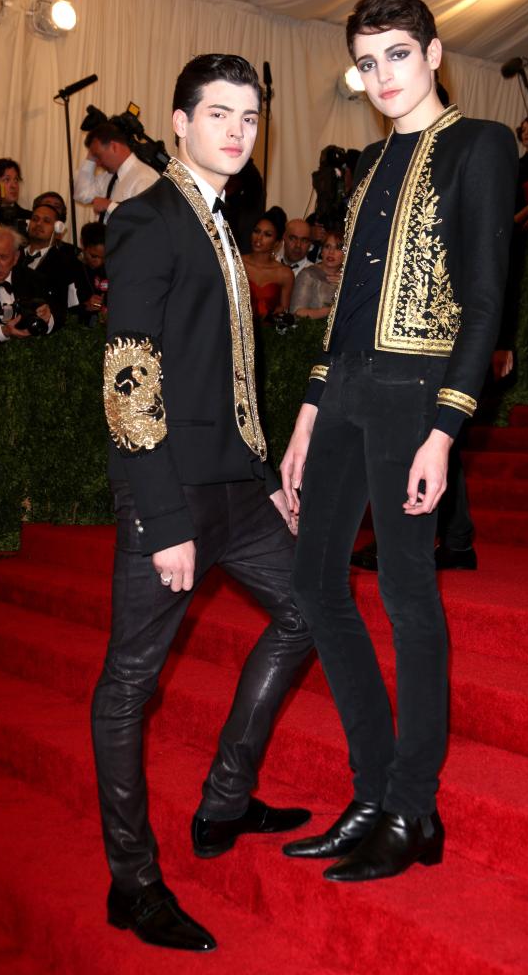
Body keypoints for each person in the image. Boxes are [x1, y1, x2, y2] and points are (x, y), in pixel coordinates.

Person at [281, 0, 517, 882]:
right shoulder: (370, 166)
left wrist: (445, 430)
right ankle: (374, 788)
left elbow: (486, 299)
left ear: (434, 52)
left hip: (414, 392)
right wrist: (306, 415)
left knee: (409, 597)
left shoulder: (480, 145)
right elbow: (342, 310)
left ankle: (414, 810)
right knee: (314, 580)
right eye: (368, 60)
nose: (382, 76)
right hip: (343, 391)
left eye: (398, 56)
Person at [94, 53, 313, 953]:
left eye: (250, 117)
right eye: (218, 113)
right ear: (179, 125)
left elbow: (225, 376)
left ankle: (223, 801)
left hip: (238, 485)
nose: (236, 129)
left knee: (311, 610)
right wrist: (166, 520)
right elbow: (128, 378)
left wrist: (268, 481)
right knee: (130, 684)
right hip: (172, 493)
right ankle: (131, 879)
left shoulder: (220, 224)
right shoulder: (148, 218)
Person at [74, 122, 158, 222]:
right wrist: (90, 157)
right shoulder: (108, 177)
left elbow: (147, 219)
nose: (98, 163)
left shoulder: (144, 177)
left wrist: (109, 206)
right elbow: (82, 194)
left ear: (114, 147)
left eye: (99, 156)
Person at [242, 208, 293, 318]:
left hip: (268, 332)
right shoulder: (238, 263)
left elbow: (284, 313)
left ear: (277, 243)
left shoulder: (285, 274)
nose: (259, 238)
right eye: (256, 231)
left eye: (267, 234)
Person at [289, 229, 343, 319]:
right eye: (327, 246)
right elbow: (297, 313)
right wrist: (332, 310)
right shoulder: (308, 274)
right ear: (322, 252)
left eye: (338, 248)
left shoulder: (349, 278)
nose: (331, 252)